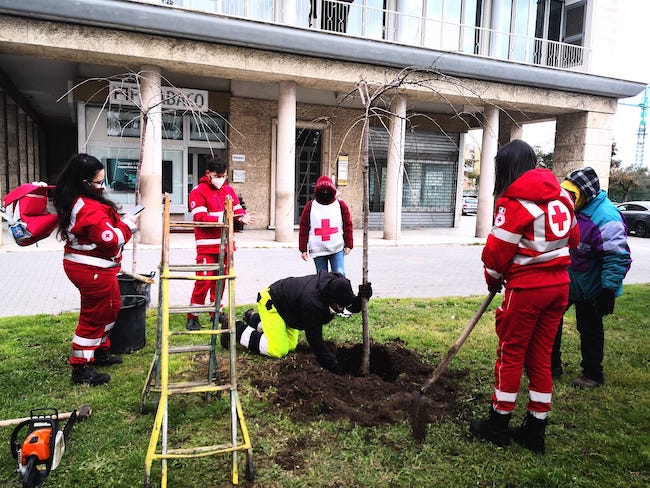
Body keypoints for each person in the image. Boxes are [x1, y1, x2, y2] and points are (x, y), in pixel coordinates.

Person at [469, 139, 579, 454]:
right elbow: (574, 237)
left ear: (508, 168)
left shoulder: (515, 202)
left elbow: (495, 254)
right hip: (559, 287)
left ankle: (498, 424)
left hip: (527, 291)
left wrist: (492, 279)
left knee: (511, 355)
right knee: (541, 357)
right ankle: (535, 429)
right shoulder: (562, 196)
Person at [53, 153, 140, 386]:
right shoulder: (88, 206)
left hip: (98, 268)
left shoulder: (80, 198)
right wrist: (128, 226)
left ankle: (99, 351)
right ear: (84, 182)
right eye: (99, 182)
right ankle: (81, 368)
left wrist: (116, 219)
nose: (102, 186)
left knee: (111, 309)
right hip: (91, 269)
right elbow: (110, 239)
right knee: (94, 317)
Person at [551, 167, 631, 388]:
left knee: (590, 329)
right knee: (551, 321)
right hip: (567, 281)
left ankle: (593, 374)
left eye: (573, 195)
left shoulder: (606, 217)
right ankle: (551, 366)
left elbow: (617, 257)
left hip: (593, 287)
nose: (568, 199)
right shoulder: (570, 210)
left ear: (587, 194)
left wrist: (608, 291)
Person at [225, 271, 372, 374]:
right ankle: (234, 328)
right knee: (279, 349)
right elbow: (315, 340)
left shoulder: (337, 286)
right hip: (272, 302)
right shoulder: (313, 303)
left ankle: (254, 319)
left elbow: (351, 305)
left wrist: (361, 298)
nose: (342, 311)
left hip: (290, 310)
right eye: (340, 308)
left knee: (291, 345)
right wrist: (334, 368)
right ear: (331, 301)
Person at [186, 156, 256, 330]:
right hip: (207, 246)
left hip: (226, 246)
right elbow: (200, 217)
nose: (221, 179)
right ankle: (193, 316)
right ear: (208, 174)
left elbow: (237, 210)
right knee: (203, 281)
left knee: (221, 282)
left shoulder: (228, 190)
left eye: (223, 176)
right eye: (218, 176)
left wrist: (242, 217)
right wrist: (226, 216)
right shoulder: (198, 191)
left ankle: (215, 311)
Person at [299, 175, 353, 276]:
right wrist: (303, 249)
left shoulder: (340, 205)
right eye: (322, 191)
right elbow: (304, 227)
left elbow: (348, 225)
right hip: (317, 249)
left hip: (337, 247)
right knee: (322, 279)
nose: (325, 194)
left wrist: (348, 244)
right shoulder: (310, 206)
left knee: (339, 276)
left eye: (327, 191)